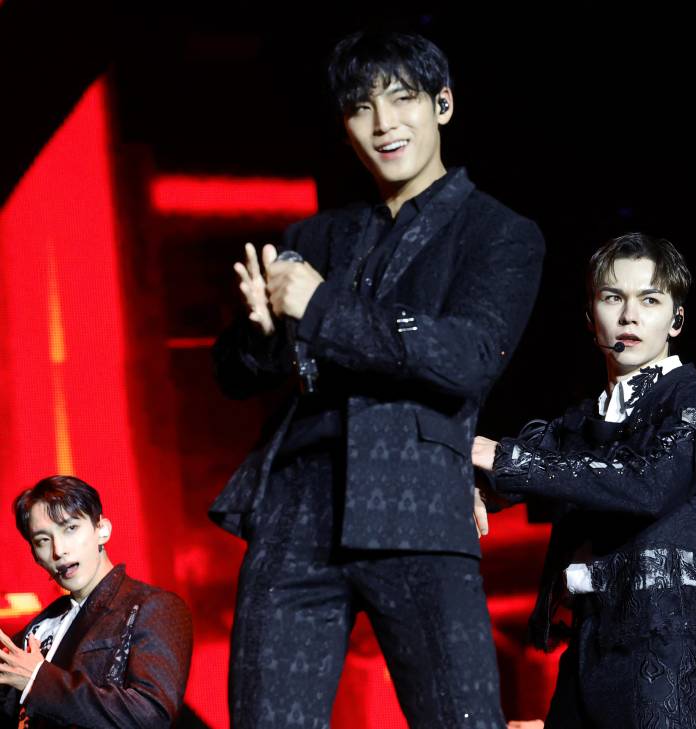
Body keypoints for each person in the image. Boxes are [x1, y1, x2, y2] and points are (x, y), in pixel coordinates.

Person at [210, 30, 544, 728]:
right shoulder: (314, 238)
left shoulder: (499, 232)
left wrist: (320, 304)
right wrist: (264, 338)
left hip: (419, 502)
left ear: (443, 104)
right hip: (297, 508)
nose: (384, 123)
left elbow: (468, 355)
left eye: (402, 99)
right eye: (362, 108)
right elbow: (232, 373)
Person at [473, 232, 696, 728]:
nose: (629, 315)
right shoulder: (579, 420)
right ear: (592, 319)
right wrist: (477, 486)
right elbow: (526, 473)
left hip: (665, 655)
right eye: (613, 298)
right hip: (589, 647)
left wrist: (501, 456)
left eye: (649, 300)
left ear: (676, 320)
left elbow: (650, 482)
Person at [0, 475, 192, 728]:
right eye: (43, 541)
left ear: (102, 530)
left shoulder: (152, 607)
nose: (59, 550)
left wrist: (38, 680)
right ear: (35, 556)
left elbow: (150, 715)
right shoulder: (40, 626)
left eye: (70, 528)